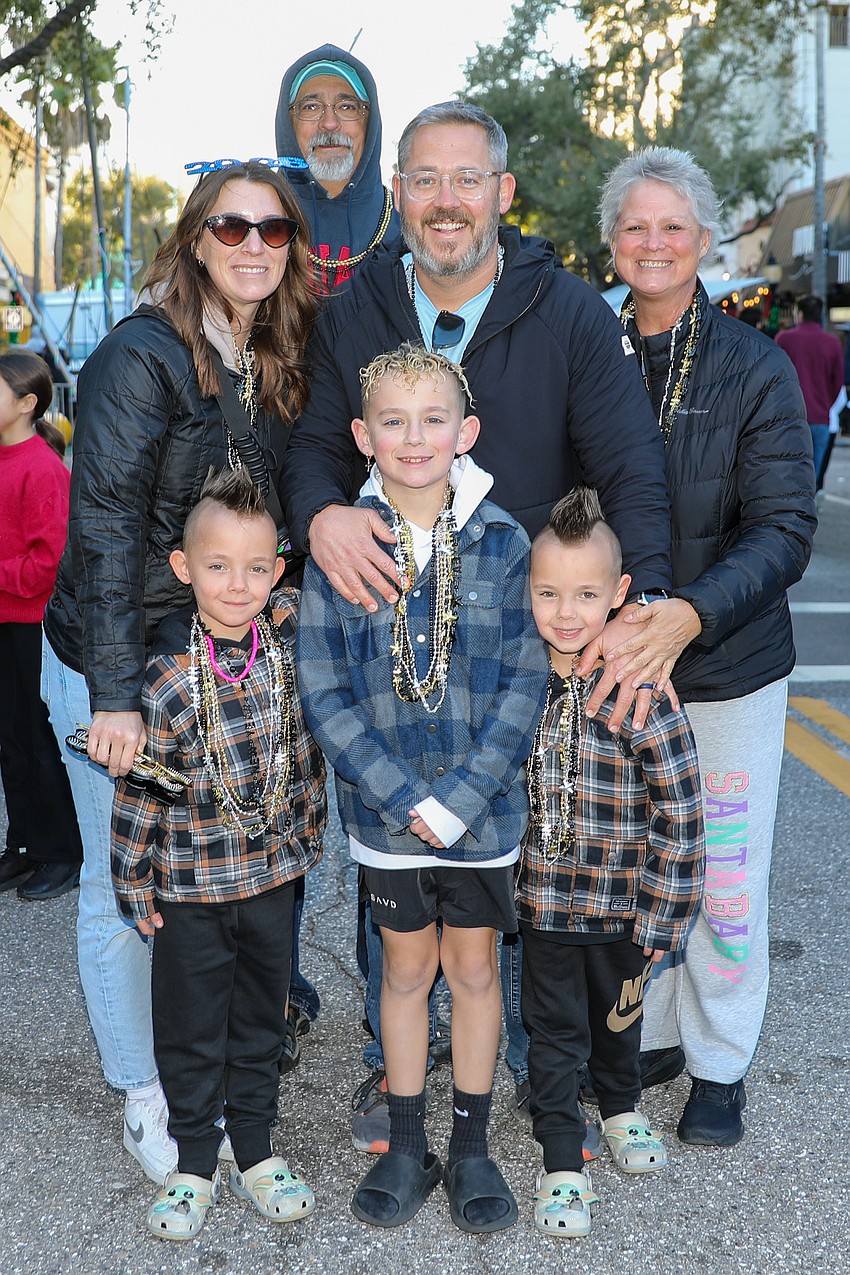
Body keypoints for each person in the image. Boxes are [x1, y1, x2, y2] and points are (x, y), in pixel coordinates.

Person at [279, 99, 674, 1146]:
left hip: (516, 637)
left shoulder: (570, 314)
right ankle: (391, 1064)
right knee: (397, 871)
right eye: (423, 179)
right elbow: (315, 441)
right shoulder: (357, 305)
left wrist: (638, 605)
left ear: (501, 193)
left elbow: (630, 466)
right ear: (396, 194)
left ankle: (541, 1080)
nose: (444, 200)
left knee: (519, 861)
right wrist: (319, 513)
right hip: (387, 638)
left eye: (465, 179)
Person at [42, 159, 318, 1184]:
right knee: (128, 885)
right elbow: (107, 530)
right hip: (117, 676)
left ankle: (207, 1063)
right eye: (230, 226)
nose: (252, 245)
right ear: (195, 239)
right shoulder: (141, 355)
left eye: (273, 230)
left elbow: (269, 504)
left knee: (202, 877)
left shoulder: (270, 355)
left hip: (210, 667)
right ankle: (144, 1087)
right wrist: (113, 697)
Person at [585, 145, 815, 1145]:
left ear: (705, 240)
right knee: (637, 873)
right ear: (611, 240)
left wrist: (688, 615)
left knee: (722, 881)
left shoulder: (754, 366)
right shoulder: (585, 354)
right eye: (634, 225)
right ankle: (661, 1029)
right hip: (608, 671)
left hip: (723, 669)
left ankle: (719, 1065)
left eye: (671, 225)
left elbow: (782, 530)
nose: (652, 242)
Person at [297, 345, 549, 1233]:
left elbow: (527, 680)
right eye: (394, 422)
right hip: (386, 814)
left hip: (483, 815)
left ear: (465, 432)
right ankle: (410, 1142)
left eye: (433, 419)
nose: (415, 438)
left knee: (476, 967)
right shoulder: (339, 545)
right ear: (364, 436)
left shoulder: (504, 539)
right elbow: (322, 689)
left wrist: (464, 797)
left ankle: (472, 1145)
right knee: (404, 971)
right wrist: (405, 795)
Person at [111, 469, 325, 1242]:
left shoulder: (292, 645)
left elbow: (307, 761)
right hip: (192, 889)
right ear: (182, 568)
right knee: (192, 1025)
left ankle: (259, 1151)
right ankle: (195, 1161)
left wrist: (308, 838)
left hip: (273, 880)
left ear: (279, 568)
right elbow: (144, 792)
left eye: (257, 567)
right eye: (217, 566)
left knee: (261, 1018)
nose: (238, 585)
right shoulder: (166, 678)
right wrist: (133, 882)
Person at [519, 487, 704, 1238]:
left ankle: (621, 1104)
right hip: (543, 906)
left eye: (587, 594)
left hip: (624, 905)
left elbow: (682, 807)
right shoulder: (518, 681)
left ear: (621, 594)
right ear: (526, 588)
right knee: (553, 1030)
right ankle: (562, 1157)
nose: (567, 612)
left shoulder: (641, 688)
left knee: (618, 1018)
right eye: (549, 592)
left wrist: (664, 914)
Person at [0, 350, 83, 901]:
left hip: (31, 626)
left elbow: (44, 566)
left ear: (28, 404)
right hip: (4, 620)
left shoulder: (42, 468)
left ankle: (61, 851)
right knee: (9, 740)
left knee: (38, 740)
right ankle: (24, 843)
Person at [275, 44, 399, 292]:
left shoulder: (410, 228)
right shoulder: (250, 228)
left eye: (347, 107)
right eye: (311, 107)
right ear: (287, 124)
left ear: (370, 123)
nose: (330, 123)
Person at [775, 295, 844, 493]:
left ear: (800, 313)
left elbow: (774, 376)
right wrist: (824, 404)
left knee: (784, 478)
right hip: (820, 417)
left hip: (787, 417)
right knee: (810, 482)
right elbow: (837, 382)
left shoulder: (785, 338)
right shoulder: (832, 343)